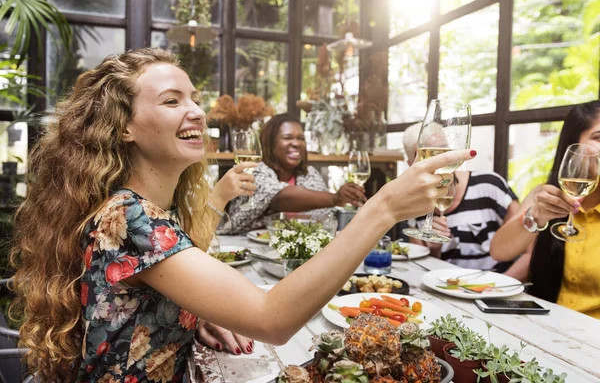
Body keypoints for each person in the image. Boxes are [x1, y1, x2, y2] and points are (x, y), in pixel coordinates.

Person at [10, 48, 474, 381]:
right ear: (124, 127)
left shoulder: (145, 208)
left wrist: (185, 312)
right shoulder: (128, 217)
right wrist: (384, 207)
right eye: (172, 101)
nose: (196, 111)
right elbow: (271, 319)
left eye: (194, 98)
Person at [491, 100, 600, 319]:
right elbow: (499, 251)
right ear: (574, 145)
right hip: (546, 330)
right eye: (598, 137)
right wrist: (537, 216)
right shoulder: (546, 196)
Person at [402, 122, 527, 279]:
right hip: (445, 290)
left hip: (495, 290)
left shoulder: (489, 185)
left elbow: (529, 251)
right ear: (410, 165)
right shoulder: (414, 205)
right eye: (424, 157)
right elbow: (424, 271)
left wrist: (498, 288)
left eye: (439, 153)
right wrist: (435, 249)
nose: (435, 162)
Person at [218, 114, 367, 234]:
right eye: (288, 138)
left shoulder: (309, 174)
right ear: (271, 143)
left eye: (300, 138)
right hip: (245, 246)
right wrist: (335, 198)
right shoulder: (256, 170)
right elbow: (280, 197)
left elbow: (323, 216)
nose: (296, 143)